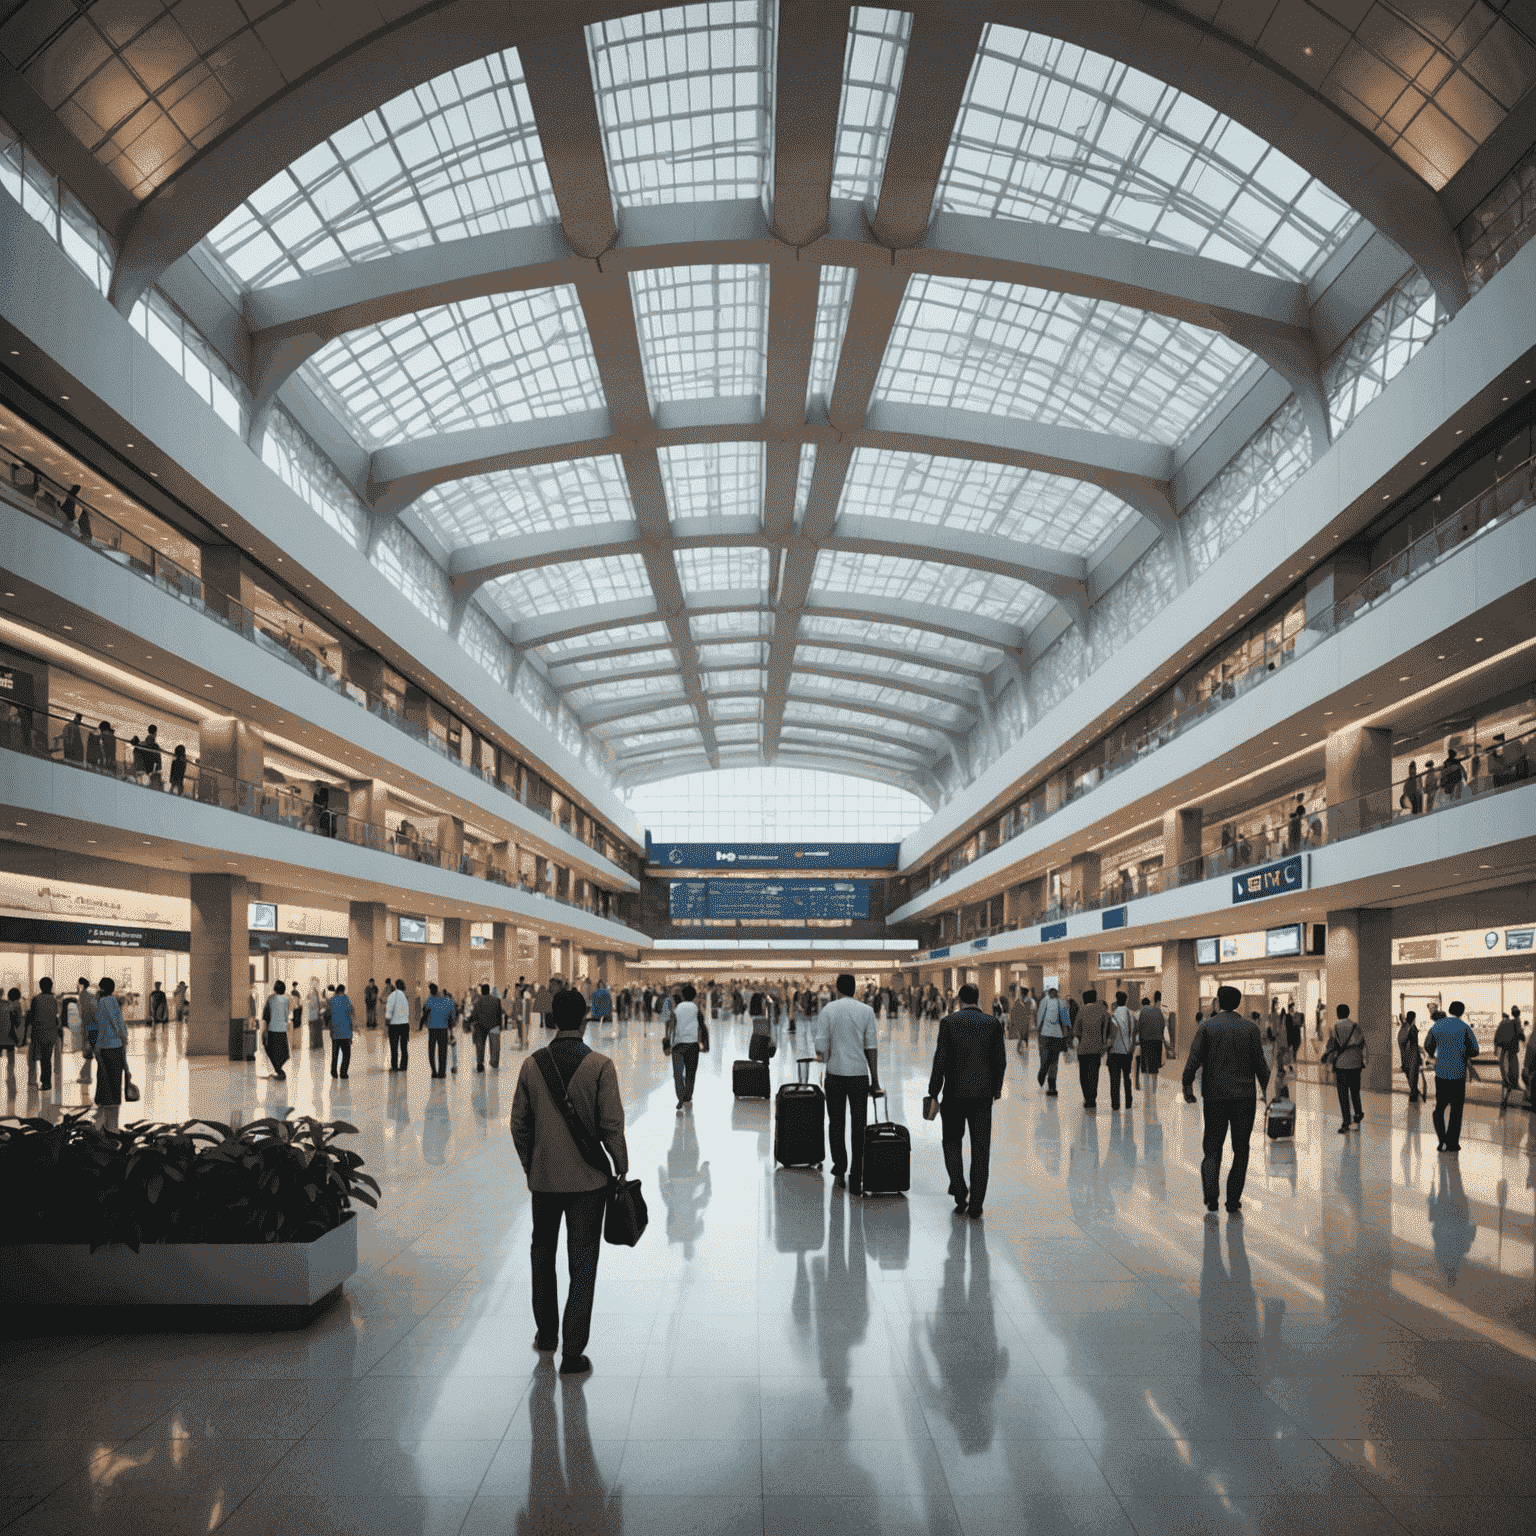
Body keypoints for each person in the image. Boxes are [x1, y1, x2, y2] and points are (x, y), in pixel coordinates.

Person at [510, 987, 629, 1378]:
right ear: (585, 1020)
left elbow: (519, 1124)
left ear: (551, 1019)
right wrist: (621, 1166)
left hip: (543, 1182)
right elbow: (611, 1125)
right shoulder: (600, 1065)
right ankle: (573, 1352)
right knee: (583, 1262)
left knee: (542, 1254)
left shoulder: (531, 1065)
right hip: (588, 1183)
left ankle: (546, 1334)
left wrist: (532, 1165)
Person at [1182, 984, 1269, 1215]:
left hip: (1215, 1097)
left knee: (1212, 1149)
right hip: (1244, 1098)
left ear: (1218, 1003)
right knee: (1241, 1149)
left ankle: (1211, 1196)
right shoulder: (1250, 1029)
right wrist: (1270, 1092)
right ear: (1238, 1004)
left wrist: (1186, 1085)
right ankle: (1232, 1201)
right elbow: (1261, 1065)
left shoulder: (1207, 1027)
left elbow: (1194, 1058)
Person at [928, 982, 1005, 1218]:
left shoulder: (949, 1022)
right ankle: (977, 1204)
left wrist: (933, 1091)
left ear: (959, 1000)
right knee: (981, 1149)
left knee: (951, 1141)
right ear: (978, 998)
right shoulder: (992, 1023)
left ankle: (960, 1191)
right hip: (982, 1097)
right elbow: (1000, 1061)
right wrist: (996, 1090)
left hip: (953, 1095)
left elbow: (940, 1059)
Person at [813, 973, 880, 1194]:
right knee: (858, 1125)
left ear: (837, 989)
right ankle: (856, 1173)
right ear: (854, 989)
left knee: (836, 1122)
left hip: (835, 1074)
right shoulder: (866, 1011)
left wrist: (827, 1055)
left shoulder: (828, 1010)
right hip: (860, 1075)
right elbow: (871, 1046)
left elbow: (820, 1046)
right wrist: (875, 1080)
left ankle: (840, 1167)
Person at [1424, 1001, 1480, 1154]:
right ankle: (1453, 1143)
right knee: (1456, 1110)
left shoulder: (1437, 1026)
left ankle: (1441, 1140)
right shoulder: (1465, 1028)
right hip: (1458, 1075)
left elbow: (1428, 1046)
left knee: (1439, 1108)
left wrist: (1438, 1055)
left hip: (1441, 1074)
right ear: (1462, 1012)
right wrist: (1461, 1051)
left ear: (1449, 1010)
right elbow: (1475, 1050)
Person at [1325, 1004, 1367, 1133]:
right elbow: (1362, 1045)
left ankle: (1346, 1122)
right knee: (1355, 1092)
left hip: (1341, 1066)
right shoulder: (1356, 1026)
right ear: (1348, 1013)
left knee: (1343, 1095)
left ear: (1338, 1013)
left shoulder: (1335, 1028)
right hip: (1355, 1065)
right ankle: (1358, 1113)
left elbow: (1330, 1046)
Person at [90, 976, 128, 1106]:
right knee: (115, 1074)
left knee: (103, 1073)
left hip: (102, 1044)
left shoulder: (99, 1002)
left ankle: (101, 1099)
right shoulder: (110, 1001)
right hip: (114, 1045)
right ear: (112, 988)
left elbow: (98, 1022)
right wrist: (124, 1037)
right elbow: (117, 1022)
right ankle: (113, 1100)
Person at [665, 983, 702, 1109]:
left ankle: (680, 1096)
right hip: (693, 1044)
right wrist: (703, 1043)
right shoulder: (696, 1008)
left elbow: (671, 1026)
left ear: (682, 995)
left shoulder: (677, 1008)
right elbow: (702, 1026)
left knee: (678, 1073)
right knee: (691, 1073)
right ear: (694, 996)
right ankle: (688, 1096)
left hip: (678, 1045)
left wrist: (668, 1043)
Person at [1074, 988, 1111, 1111]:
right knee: (1094, 1075)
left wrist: (1082, 1037)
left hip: (1084, 1048)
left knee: (1084, 1075)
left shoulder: (1082, 1010)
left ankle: (1086, 1097)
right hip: (1097, 1049)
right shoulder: (1103, 1012)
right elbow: (1106, 1029)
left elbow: (1076, 1030)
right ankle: (1092, 1099)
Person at [26, 977, 62, 1092]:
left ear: (40, 986)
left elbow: (31, 1016)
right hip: (51, 1033)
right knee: (46, 1058)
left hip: (38, 1032)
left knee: (36, 1058)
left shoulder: (36, 999)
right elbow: (56, 1016)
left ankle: (36, 1081)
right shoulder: (54, 999)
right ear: (51, 986)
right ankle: (46, 1082)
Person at [1035, 986, 1070, 1095]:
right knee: (1054, 1061)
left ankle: (1044, 1077)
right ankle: (1051, 1085)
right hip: (1056, 1036)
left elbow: (1039, 1017)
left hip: (1046, 1035)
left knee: (1046, 1059)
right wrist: (1068, 1034)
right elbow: (1066, 1021)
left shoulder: (1046, 1001)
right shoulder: (1061, 1003)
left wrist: (1038, 1031)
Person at [1107, 991, 1136, 1111]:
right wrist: (1131, 1049)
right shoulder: (1130, 1014)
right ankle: (1128, 1102)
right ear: (1126, 1000)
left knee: (1114, 1080)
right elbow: (1133, 1033)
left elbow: (1110, 1035)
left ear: (1116, 1000)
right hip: (1127, 1051)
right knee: (1127, 1077)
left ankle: (1115, 1104)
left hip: (1114, 1052)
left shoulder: (1113, 1015)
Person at [1493, 1006, 1525, 1109]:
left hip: (1503, 1053)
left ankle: (1504, 1099)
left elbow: (1496, 1037)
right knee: (1512, 1075)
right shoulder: (1517, 1022)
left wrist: (1495, 1049)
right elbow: (1521, 1036)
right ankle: (1506, 1098)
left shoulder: (1503, 1023)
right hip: (1511, 1054)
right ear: (1517, 1013)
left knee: (1505, 1078)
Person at [423, 983, 455, 1077]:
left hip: (432, 1029)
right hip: (443, 1029)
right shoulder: (448, 1001)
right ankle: (442, 1073)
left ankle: (434, 1071)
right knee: (442, 1051)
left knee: (431, 1051)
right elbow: (452, 1016)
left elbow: (425, 1011)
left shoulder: (430, 999)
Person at [262, 979, 292, 1079]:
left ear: (275, 989)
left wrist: (264, 1029)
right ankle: (279, 1070)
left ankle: (278, 1070)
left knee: (271, 1049)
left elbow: (265, 1016)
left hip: (272, 1029)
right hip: (282, 1029)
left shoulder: (271, 999)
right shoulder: (286, 999)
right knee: (282, 1052)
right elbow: (286, 1015)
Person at [470, 983, 503, 1071]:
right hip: (494, 1025)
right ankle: (494, 1062)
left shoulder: (478, 1001)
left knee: (480, 1045)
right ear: (489, 991)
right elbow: (499, 1014)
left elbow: (474, 1014)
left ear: (481, 991)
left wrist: (471, 1022)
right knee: (495, 1045)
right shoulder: (496, 1000)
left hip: (480, 1026)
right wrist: (501, 1026)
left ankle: (480, 1063)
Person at [1137, 991, 1168, 1084]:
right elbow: (1163, 1027)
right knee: (1154, 1070)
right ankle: (1153, 1093)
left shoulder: (1143, 1012)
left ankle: (1147, 1093)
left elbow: (1139, 1028)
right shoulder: (1160, 1011)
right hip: (1157, 1042)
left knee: (1146, 1070)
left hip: (1146, 1043)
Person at [1397, 1011, 1424, 1103]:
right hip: (1412, 1056)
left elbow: (1401, 1042)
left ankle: (1414, 1092)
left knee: (1409, 1075)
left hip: (1404, 1056)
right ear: (1414, 1018)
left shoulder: (1403, 1028)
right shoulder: (1412, 1028)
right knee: (1413, 1076)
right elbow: (1414, 1044)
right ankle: (1413, 1094)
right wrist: (1420, 1056)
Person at [328, 983, 353, 1079]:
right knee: (346, 1054)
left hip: (335, 1031)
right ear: (343, 990)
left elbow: (329, 1015)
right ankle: (343, 1073)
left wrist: (330, 1030)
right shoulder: (347, 999)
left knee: (335, 1053)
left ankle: (333, 1072)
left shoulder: (332, 1000)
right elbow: (351, 1014)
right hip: (346, 1031)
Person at [385, 978, 411, 1070]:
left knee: (394, 1046)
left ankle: (394, 1066)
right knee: (404, 1047)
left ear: (395, 985)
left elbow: (389, 1009)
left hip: (394, 1025)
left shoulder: (392, 995)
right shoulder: (404, 996)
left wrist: (387, 1021)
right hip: (405, 1024)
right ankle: (404, 1066)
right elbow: (407, 1012)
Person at [75, 977, 96, 1084]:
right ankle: (85, 1074)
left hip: (88, 1028)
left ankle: (86, 1076)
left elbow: (85, 1015)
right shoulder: (91, 996)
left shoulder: (83, 997)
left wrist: (85, 1031)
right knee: (90, 1052)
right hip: (94, 1028)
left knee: (88, 1052)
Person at [1008, 987, 1034, 1055]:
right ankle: (1021, 1051)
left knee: (1025, 1038)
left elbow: (1030, 1013)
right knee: (1020, 1038)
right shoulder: (1019, 1001)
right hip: (1019, 1023)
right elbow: (1013, 1012)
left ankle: (1024, 1052)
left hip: (1025, 1023)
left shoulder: (1028, 1002)